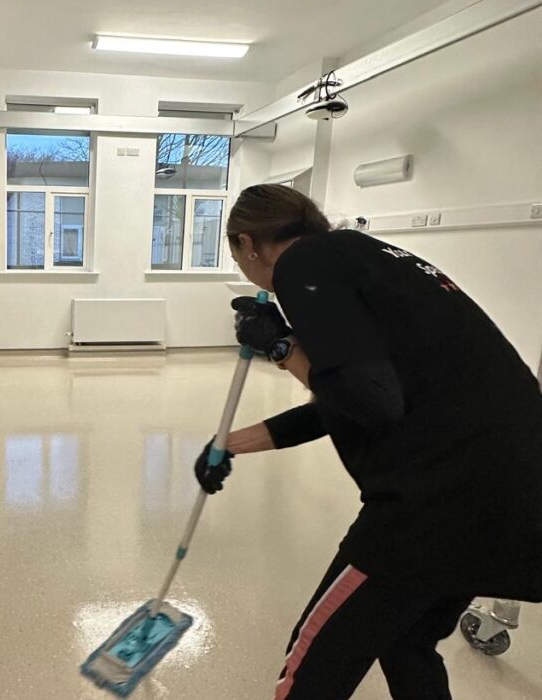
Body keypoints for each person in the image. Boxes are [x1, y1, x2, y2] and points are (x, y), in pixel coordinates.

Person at [193, 184, 542, 700]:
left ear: (248, 244)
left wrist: (281, 346)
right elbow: (349, 400)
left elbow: (370, 400)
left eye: (239, 256)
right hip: (511, 487)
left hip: (436, 503)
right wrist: (230, 443)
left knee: (313, 666)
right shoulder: (362, 255)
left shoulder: (301, 266)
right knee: (407, 642)